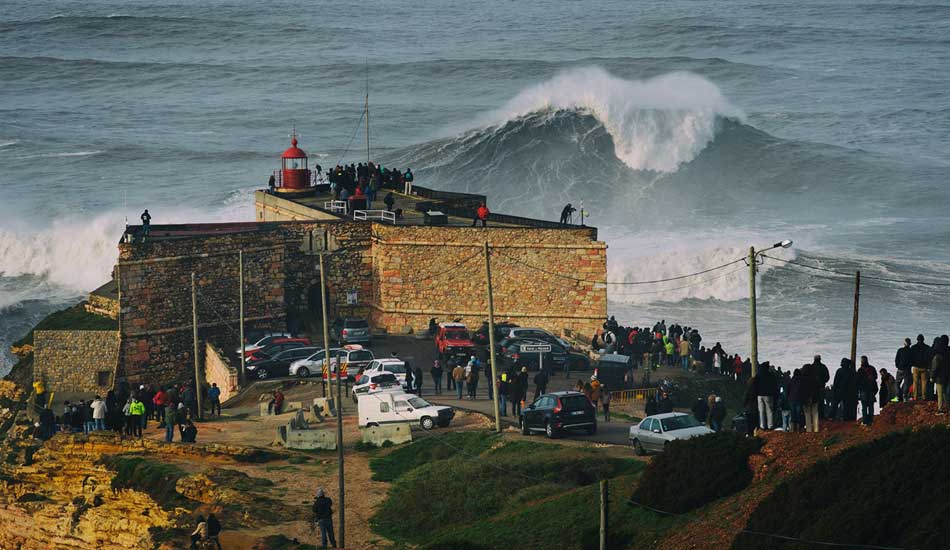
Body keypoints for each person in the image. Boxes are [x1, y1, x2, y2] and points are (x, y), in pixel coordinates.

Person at [752, 362, 778, 430]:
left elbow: (754, 385)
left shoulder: (758, 375)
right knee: (769, 410)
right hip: (768, 395)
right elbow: (774, 386)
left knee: (761, 411)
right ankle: (770, 425)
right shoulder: (771, 375)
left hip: (759, 395)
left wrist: (756, 393)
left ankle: (762, 425)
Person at [800, 362, 822, 433]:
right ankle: (816, 429)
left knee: (807, 414)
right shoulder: (815, 378)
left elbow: (801, 390)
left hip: (806, 398)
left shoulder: (802, 379)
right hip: (815, 398)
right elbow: (818, 388)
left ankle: (808, 429)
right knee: (815, 413)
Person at [858, 357, 878, 426]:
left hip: (864, 390)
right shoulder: (872, 368)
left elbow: (858, 381)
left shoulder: (860, 370)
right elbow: (876, 377)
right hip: (871, 390)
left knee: (864, 406)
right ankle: (871, 420)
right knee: (870, 406)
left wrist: (859, 389)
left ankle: (865, 421)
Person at [910, 334, 931, 401]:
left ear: (917, 339)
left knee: (915, 382)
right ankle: (924, 397)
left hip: (916, 367)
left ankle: (915, 397)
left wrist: (912, 364)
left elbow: (911, 358)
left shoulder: (913, 347)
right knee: (924, 383)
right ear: (923, 339)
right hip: (924, 367)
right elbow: (929, 358)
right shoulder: (927, 347)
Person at [932, 335, 949, 414]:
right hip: (947, 376)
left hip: (939, 377)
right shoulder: (948, 352)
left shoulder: (937, 356)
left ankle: (940, 409)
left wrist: (932, 377)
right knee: (946, 393)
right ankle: (948, 407)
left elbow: (935, 368)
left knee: (940, 394)